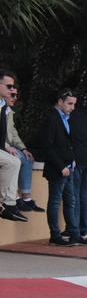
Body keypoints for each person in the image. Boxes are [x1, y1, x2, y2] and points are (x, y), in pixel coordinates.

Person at [41, 88, 87, 246]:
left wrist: (72, 160)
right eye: (69, 104)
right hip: (58, 169)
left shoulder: (65, 119)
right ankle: (55, 235)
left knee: (71, 201)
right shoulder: (52, 118)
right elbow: (47, 146)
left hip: (69, 166)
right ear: (60, 102)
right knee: (55, 201)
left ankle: (74, 233)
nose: (72, 107)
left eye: (74, 104)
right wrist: (60, 166)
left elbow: (68, 143)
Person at [61, 105, 87, 242]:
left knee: (73, 194)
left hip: (77, 158)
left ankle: (73, 229)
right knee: (85, 196)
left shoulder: (66, 116)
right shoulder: (84, 114)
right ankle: (84, 230)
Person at [4, 90, 45, 213]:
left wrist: (23, 148)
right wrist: (6, 146)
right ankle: (15, 197)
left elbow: (13, 132)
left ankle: (26, 197)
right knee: (14, 160)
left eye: (17, 95)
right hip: (3, 147)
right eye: (12, 95)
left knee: (27, 159)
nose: (15, 98)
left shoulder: (8, 111)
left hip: (6, 146)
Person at [0, 69, 27, 221]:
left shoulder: (5, 108)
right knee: (11, 161)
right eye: (8, 86)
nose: (12, 90)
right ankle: (9, 202)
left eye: (13, 87)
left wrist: (22, 147)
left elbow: (11, 132)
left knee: (16, 161)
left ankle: (10, 203)